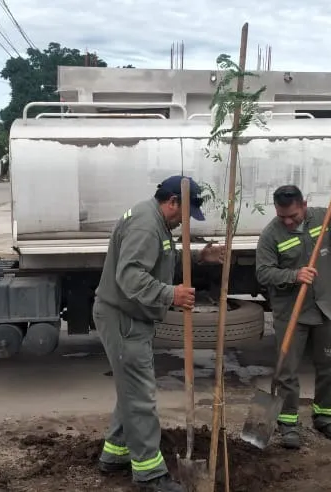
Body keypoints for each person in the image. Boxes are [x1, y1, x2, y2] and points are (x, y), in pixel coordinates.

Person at [94, 176, 225, 491]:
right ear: (172, 202)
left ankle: (115, 454)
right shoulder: (146, 225)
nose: (184, 222)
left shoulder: (156, 223)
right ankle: (150, 473)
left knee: (132, 388)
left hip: (129, 317)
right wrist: (171, 295)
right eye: (184, 213)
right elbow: (130, 276)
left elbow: (162, 258)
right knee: (140, 395)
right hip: (123, 318)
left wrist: (198, 256)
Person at [255, 179, 331, 449]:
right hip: (293, 311)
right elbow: (263, 272)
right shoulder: (271, 235)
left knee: (329, 365)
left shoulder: (323, 216)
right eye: (282, 217)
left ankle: (325, 418)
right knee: (287, 370)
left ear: (304, 206)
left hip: (327, 305)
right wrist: (295, 275)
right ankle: (288, 424)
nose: (289, 222)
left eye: (293, 216)